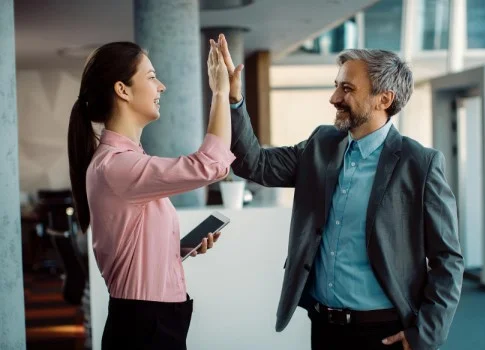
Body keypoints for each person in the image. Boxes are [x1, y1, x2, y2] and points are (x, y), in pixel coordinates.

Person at [218, 34, 464, 350]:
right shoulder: (321, 144)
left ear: (384, 99)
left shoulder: (420, 164)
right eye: (337, 85)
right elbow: (254, 164)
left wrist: (426, 334)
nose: (334, 97)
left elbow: (448, 259)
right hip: (324, 328)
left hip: (384, 333)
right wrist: (234, 99)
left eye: (347, 88)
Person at [67, 39, 235, 349]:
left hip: (152, 319)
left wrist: (178, 249)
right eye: (151, 76)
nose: (162, 86)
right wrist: (221, 93)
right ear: (123, 90)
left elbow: (133, 246)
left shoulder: (125, 162)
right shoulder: (117, 166)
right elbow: (211, 165)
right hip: (145, 324)